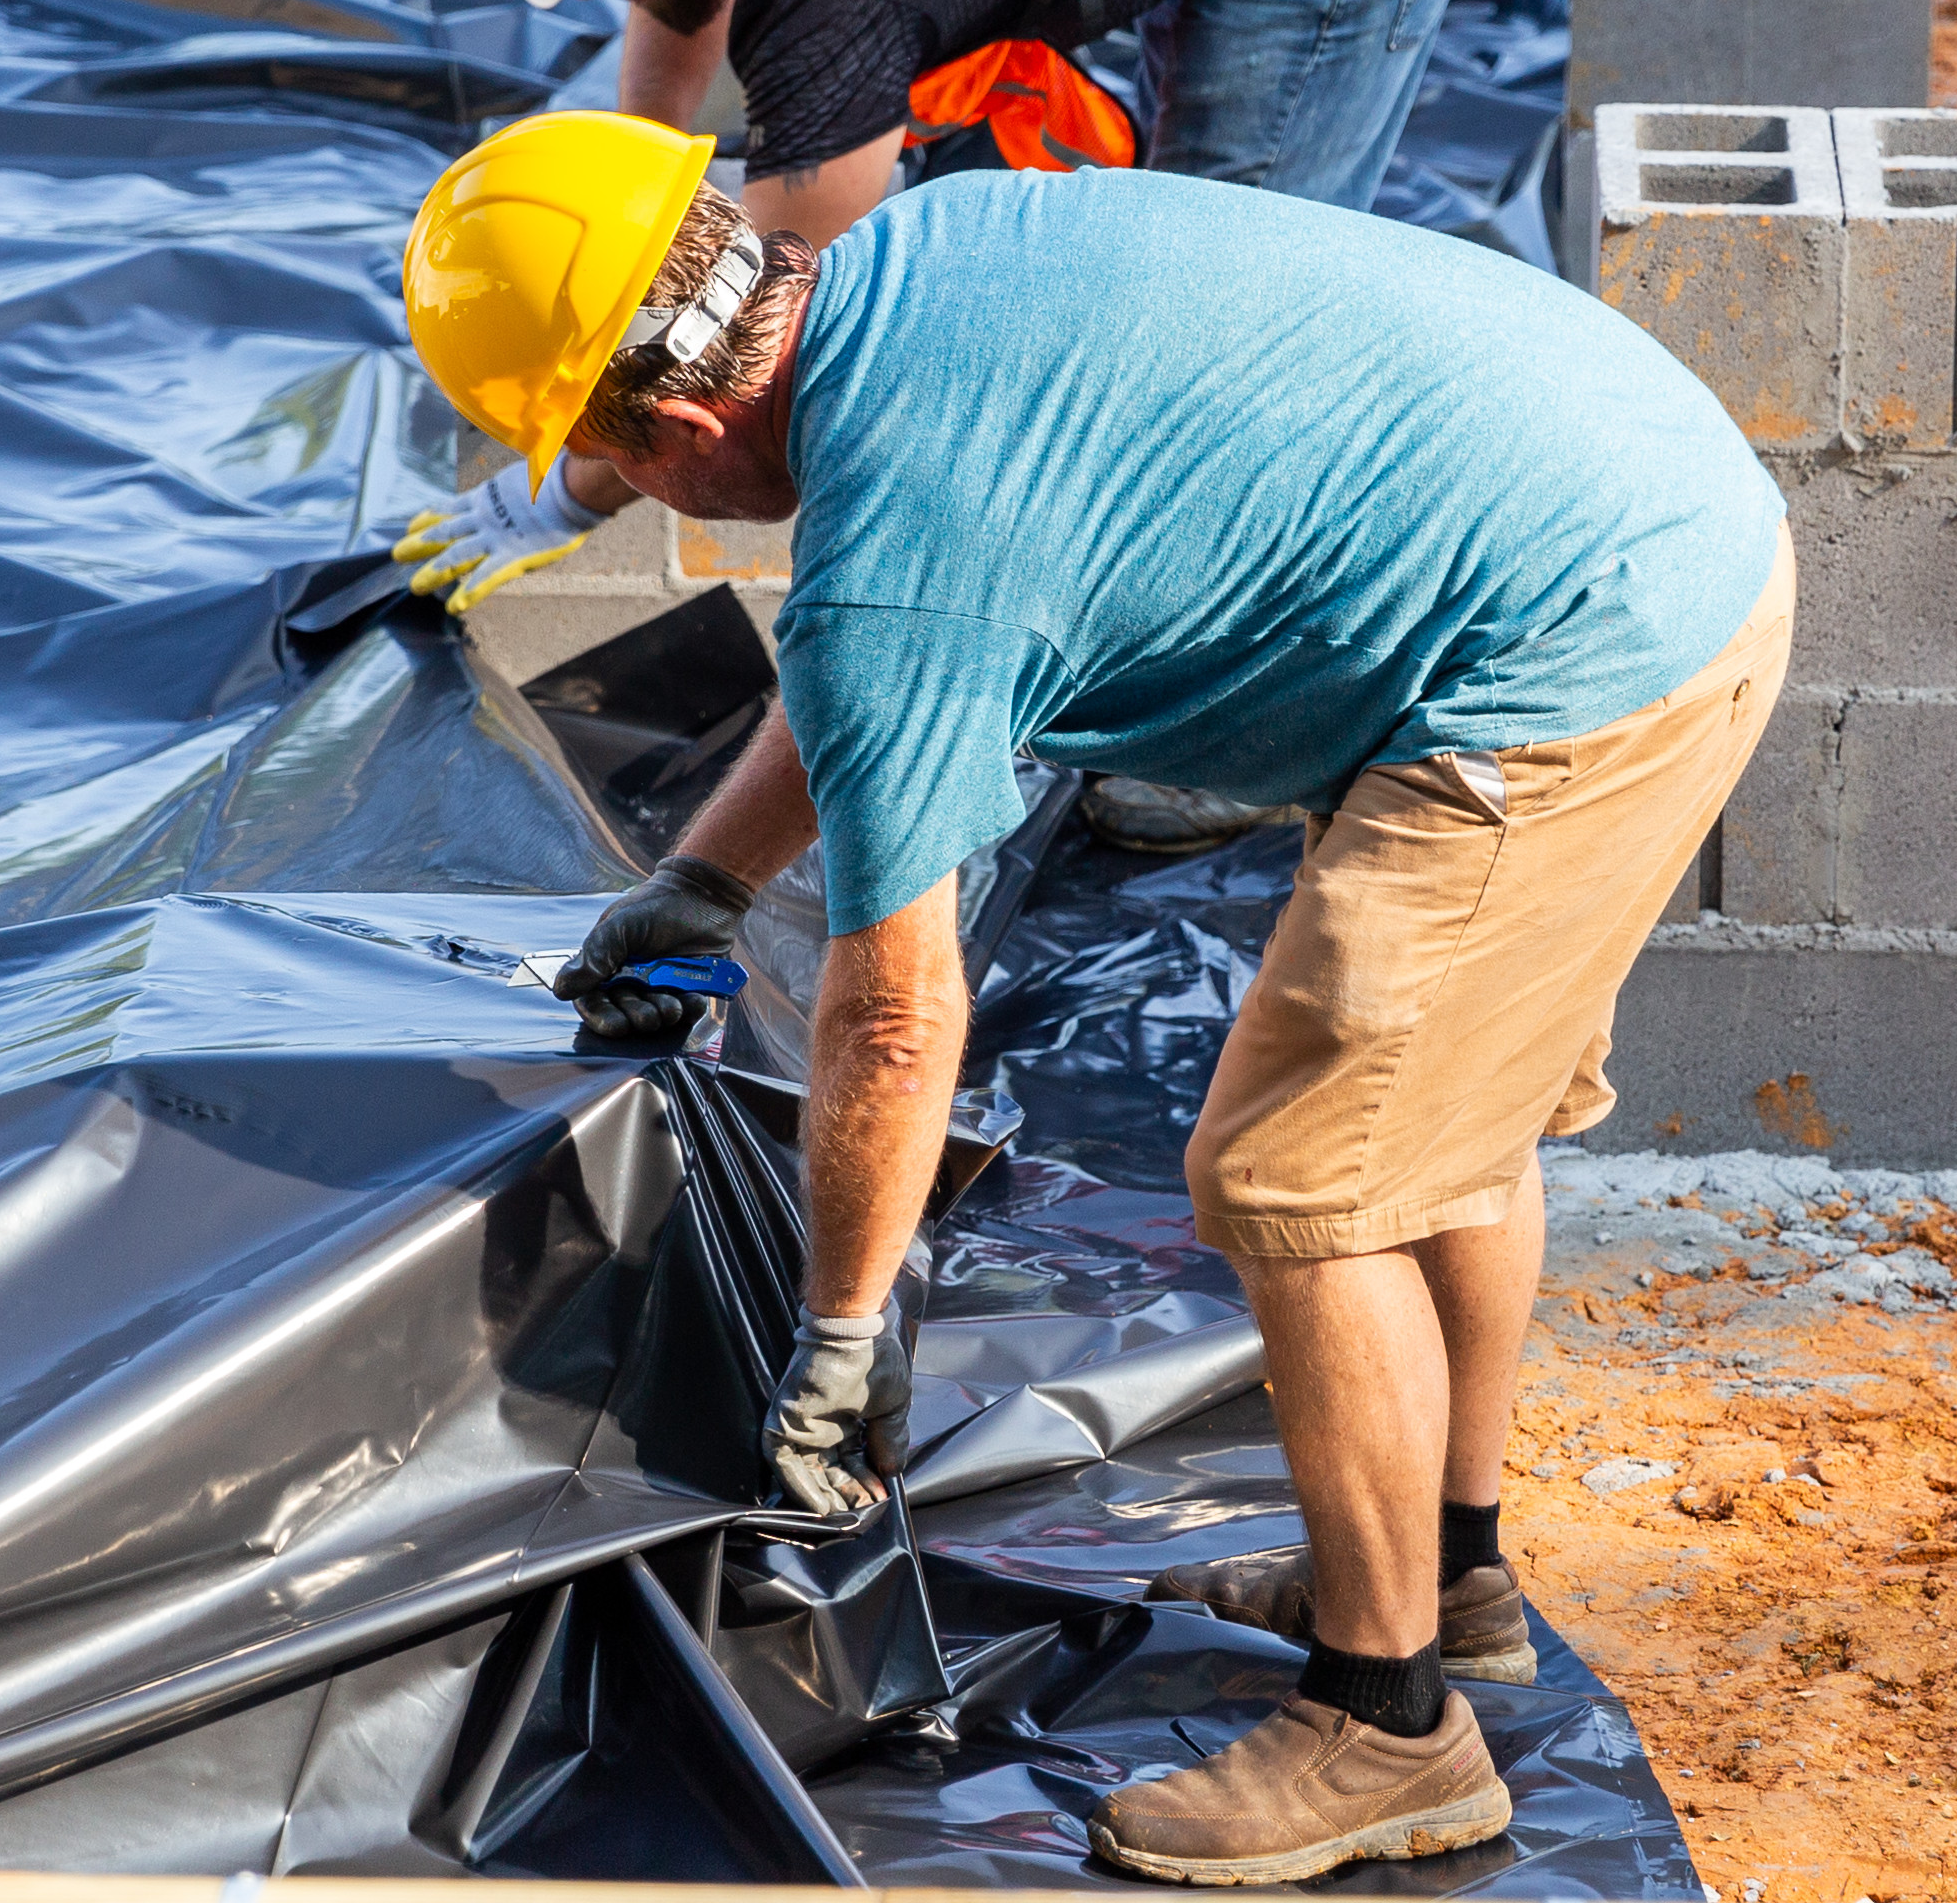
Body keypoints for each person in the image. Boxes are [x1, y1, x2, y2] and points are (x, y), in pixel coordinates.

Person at [398, 110, 1787, 1887]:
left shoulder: (896, 548)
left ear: (672, 424)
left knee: (1299, 1175)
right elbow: (879, 682)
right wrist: (707, 876)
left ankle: (1390, 1722)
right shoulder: (926, 255)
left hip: (1567, 653)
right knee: (1445, 1111)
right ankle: (1447, 1571)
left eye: (615, 465)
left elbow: (896, 1017)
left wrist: (835, 1346)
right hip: (1649, 511)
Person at [399, 0, 1524, 850]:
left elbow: (749, 308)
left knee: (1218, 300)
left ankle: (1261, 714)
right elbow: (678, 6)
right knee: (1138, 231)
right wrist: (615, 208)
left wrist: (572, 494)